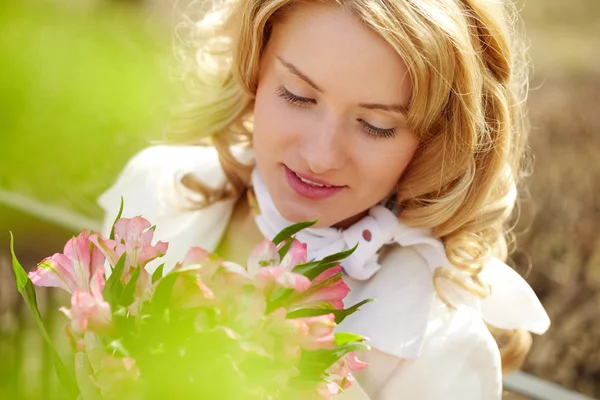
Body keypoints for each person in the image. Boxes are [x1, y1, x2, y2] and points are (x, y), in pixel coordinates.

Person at [98, 0, 550, 398]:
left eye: (376, 125)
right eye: (297, 96)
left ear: (435, 141)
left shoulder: (440, 346)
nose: (320, 156)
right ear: (253, 67)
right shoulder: (151, 190)